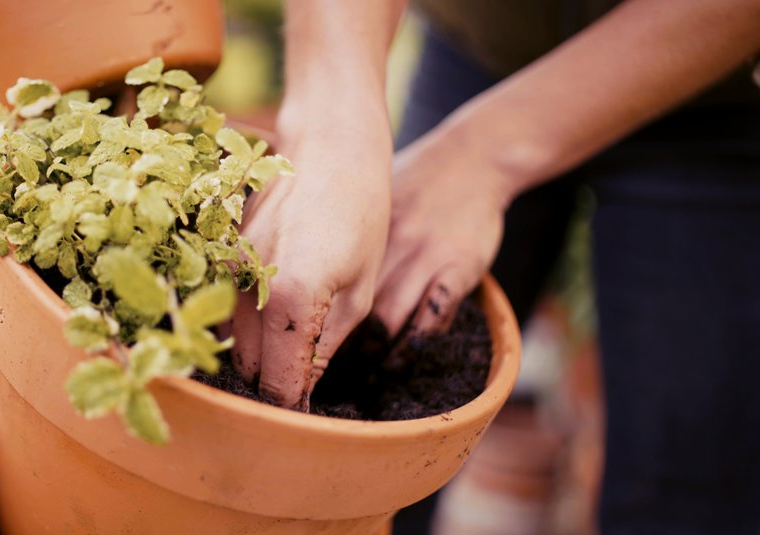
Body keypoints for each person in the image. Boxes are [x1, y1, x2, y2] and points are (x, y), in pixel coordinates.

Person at [230, 0, 760, 532]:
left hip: (717, 95)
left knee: (683, 485)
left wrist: (482, 154)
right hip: (479, 44)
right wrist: (333, 126)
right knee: (376, 447)